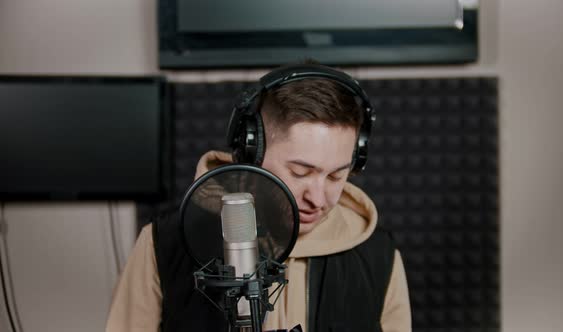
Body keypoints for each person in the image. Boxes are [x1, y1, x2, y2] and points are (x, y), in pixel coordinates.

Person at [105, 63, 411, 332]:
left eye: (335, 176)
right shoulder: (164, 243)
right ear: (252, 154)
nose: (318, 198)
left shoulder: (378, 255)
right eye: (301, 172)